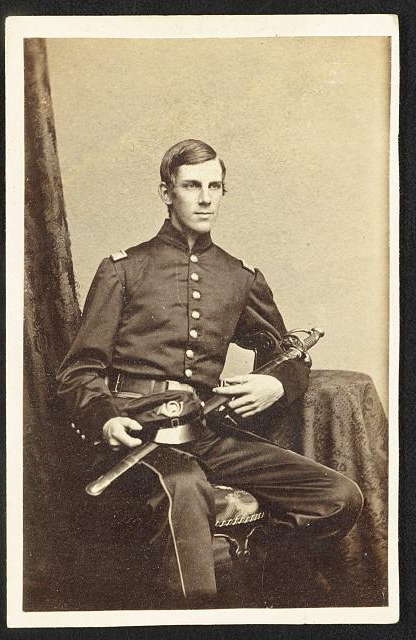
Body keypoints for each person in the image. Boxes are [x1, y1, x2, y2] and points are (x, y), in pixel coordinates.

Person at [57, 139, 363, 607]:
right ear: (166, 192)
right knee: (183, 484)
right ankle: (198, 612)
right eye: (191, 185)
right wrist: (105, 417)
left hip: (203, 431)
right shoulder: (124, 270)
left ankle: (247, 562)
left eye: (214, 186)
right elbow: (79, 371)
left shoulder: (238, 277)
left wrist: (276, 382)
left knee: (338, 495)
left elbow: (288, 353)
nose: (205, 198)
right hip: (137, 435)